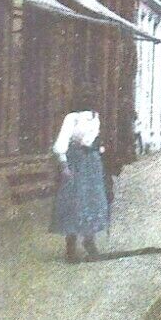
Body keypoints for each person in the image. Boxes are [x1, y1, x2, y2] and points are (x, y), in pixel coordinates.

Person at [51, 89, 110, 263]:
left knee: (92, 200)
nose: (89, 102)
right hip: (76, 162)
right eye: (85, 98)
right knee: (74, 201)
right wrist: (64, 165)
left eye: (91, 99)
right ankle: (70, 247)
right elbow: (61, 143)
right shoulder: (72, 118)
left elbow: (92, 140)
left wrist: (98, 149)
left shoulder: (95, 116)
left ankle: (89, 241)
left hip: (91, 162)